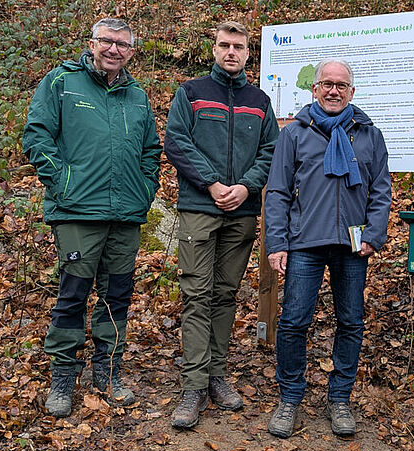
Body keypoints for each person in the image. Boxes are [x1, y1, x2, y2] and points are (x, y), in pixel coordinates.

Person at [22, 18, 161, 418]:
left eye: (123, 45)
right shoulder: (62, 83)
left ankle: (108, 372)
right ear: (92, 43)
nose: (114, 50)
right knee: (73, 295)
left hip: (125, 216)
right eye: (108, 42)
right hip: (78, 212)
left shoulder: (137, 96)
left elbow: (151, 149)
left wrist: (144, 188)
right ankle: (64, 375)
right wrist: (62, 182)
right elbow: (37, 135)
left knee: (117, 295)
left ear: (132, 51)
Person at [263, 60, 392, 438]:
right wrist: (277, 242)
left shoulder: (369, 134)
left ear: (352, 92)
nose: (334, 91)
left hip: (353, 247)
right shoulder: (295, 135)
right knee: (293, 322)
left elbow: (381, 190)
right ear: (315, 89)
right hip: (305, 242)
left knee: (350, 322)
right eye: (327, 84)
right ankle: (290, 398)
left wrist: (374, 233)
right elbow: (279, 193)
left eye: (342, 85)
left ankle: (339, 398)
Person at [163, 21, 279, 429]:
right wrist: (212, 184)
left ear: (249, 54)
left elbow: (271, 150)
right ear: (213, 49)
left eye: (239, 47)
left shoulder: (260, 101)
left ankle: (217, 376)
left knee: (225, 295)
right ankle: (193, 385)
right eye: (224, 45)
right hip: (200, 207)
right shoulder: (191, 93)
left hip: (242, 213)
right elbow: (176, 141)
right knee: (197, 294)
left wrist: (247, 188)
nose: (231, 52)